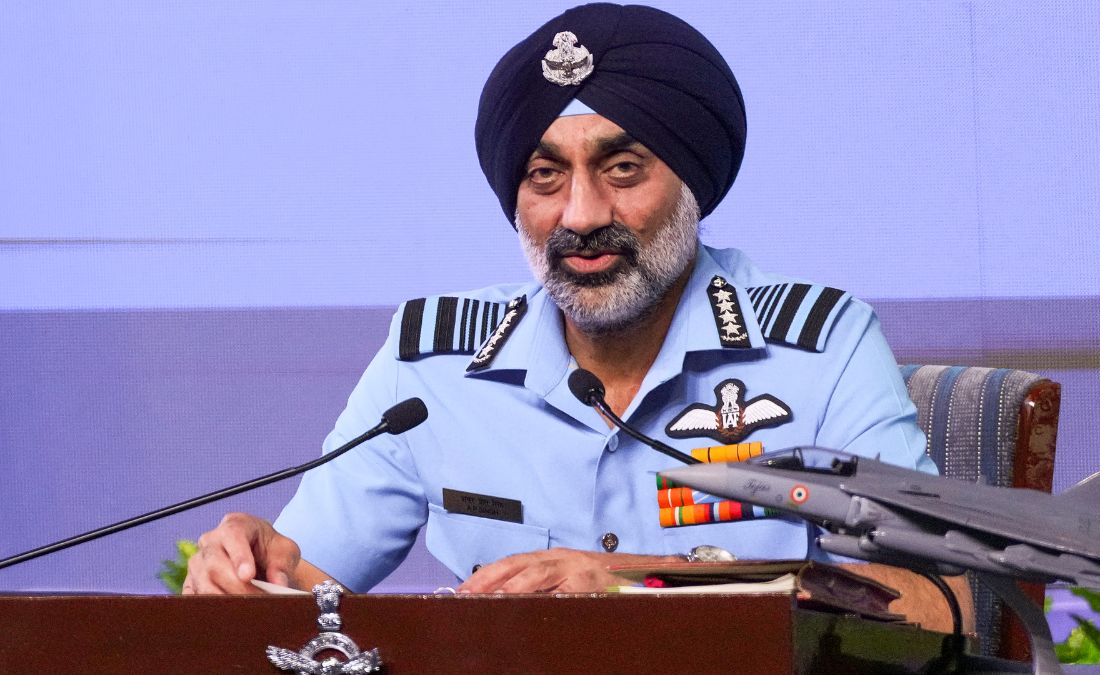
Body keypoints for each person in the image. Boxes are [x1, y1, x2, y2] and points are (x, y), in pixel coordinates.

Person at [185, 3, 969, 632]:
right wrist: (257, 570)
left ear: (692, 184)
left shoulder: (820, 346)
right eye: (544, 175)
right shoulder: (431, 365)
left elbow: (943, 602)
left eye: (622, 168)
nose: (582, 213)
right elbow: (311, 587)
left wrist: (640, 586)